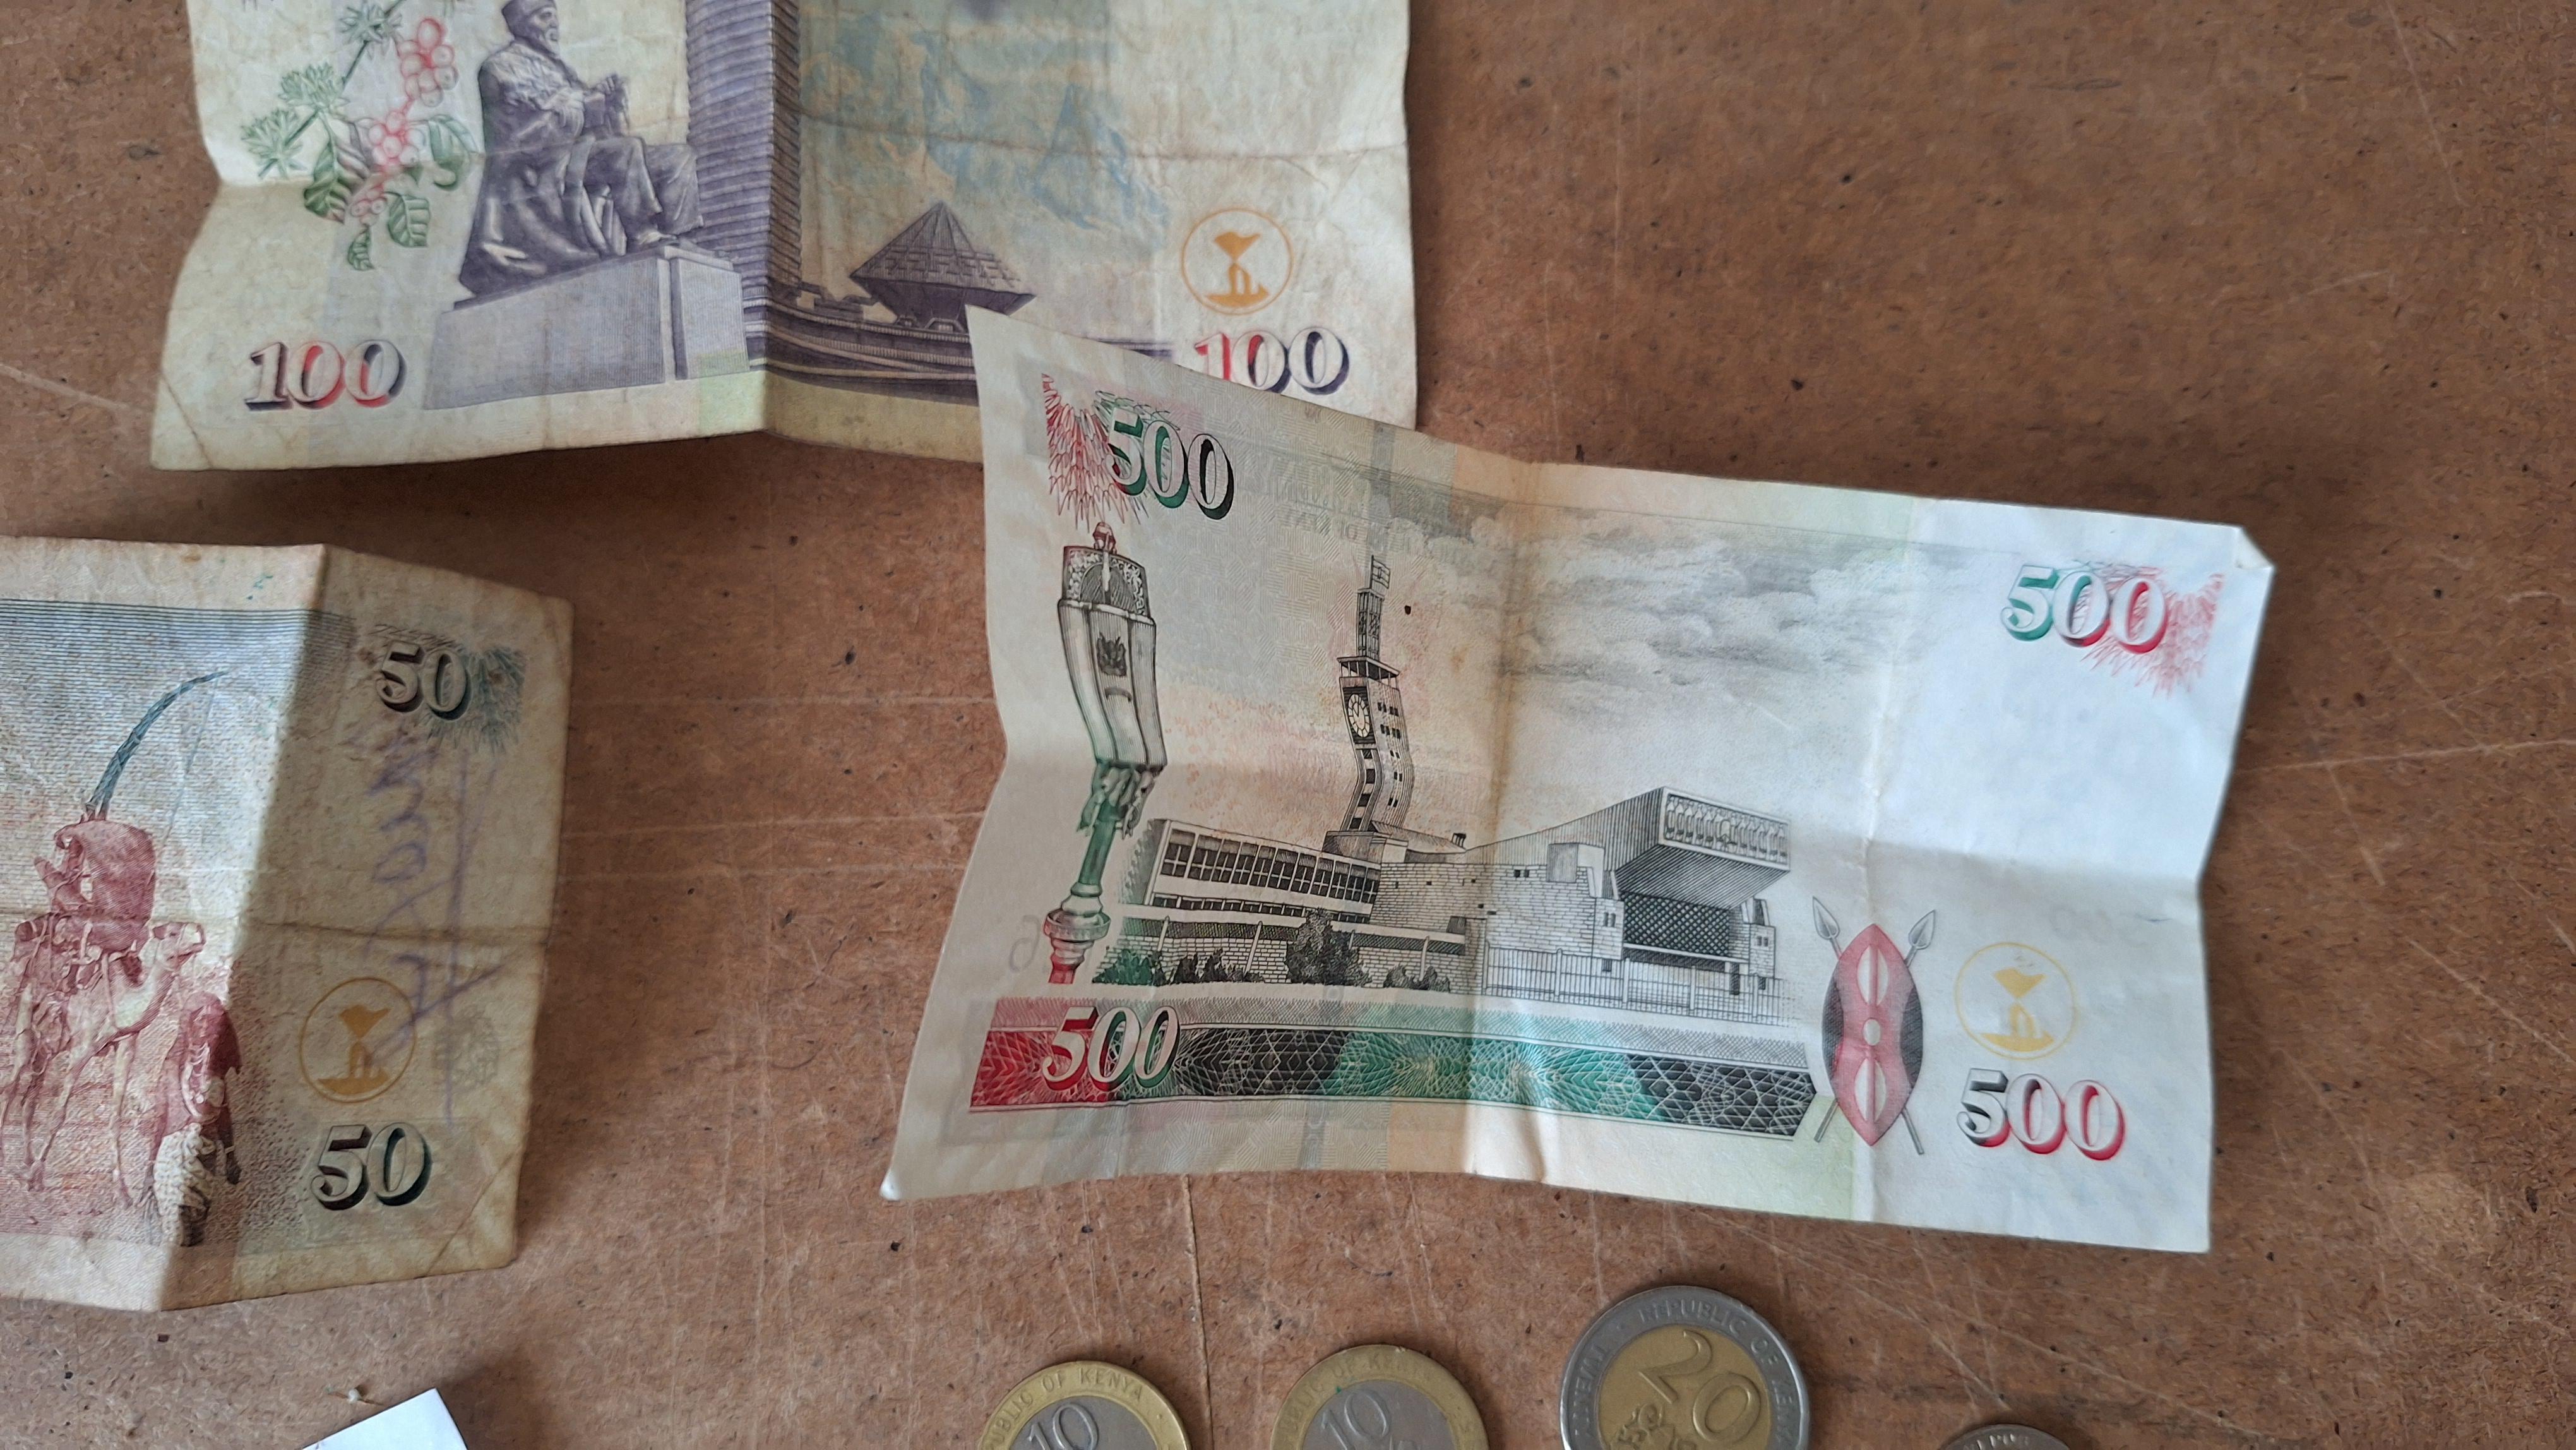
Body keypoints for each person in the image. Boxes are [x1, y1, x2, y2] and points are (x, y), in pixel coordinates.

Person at [458, 0, 703, 296]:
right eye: (544, 17)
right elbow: (522, 138)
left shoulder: (557, 67)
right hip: (538, 172)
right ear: (522, 24)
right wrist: (584, 105)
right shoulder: (499, 68)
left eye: (554, 16)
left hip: (581, 155)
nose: (554, 24)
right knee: (623, 151)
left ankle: (680, 237)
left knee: (678, 157)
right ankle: (643, 234)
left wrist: (606, 101)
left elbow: (590, 121)